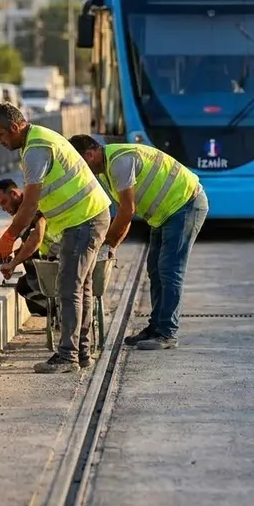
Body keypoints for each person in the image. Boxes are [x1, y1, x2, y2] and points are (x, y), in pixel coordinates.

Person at [0, 103, 112, 373]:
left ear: (15, 127)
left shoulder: (36, 149)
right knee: (81, 288)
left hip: (84, 220)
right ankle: (81, 353)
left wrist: (9, 236)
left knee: (68, 288)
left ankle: (68, 356)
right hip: (86, 217)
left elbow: (30, 203)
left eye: (0, 135)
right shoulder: (37, 140)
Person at [68, 135, 208, 350]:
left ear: (90, 154)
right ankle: (156, 327)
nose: (80, 169)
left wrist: (108, 244)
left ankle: (167, 333)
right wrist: (111, 244)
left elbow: (127, 211)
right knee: (154, 268)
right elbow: (122, 213)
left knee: (170, 270)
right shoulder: (105, 171)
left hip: (185, 205)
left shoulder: (119, 162)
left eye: (80, 162)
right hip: (164, 213)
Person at [0, 178, 58, 317]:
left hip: (58, 260)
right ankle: (56, 313)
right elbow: (15, 238)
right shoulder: (22, 215)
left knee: (26, 284)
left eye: (4, 202)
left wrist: (13, 263)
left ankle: (57, 310)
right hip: (49, 263)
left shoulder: (35, 206)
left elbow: (36, 239)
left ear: (14, 194)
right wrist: (3, 263)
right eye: (0, 205)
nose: (3, 209)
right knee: (23, 285)